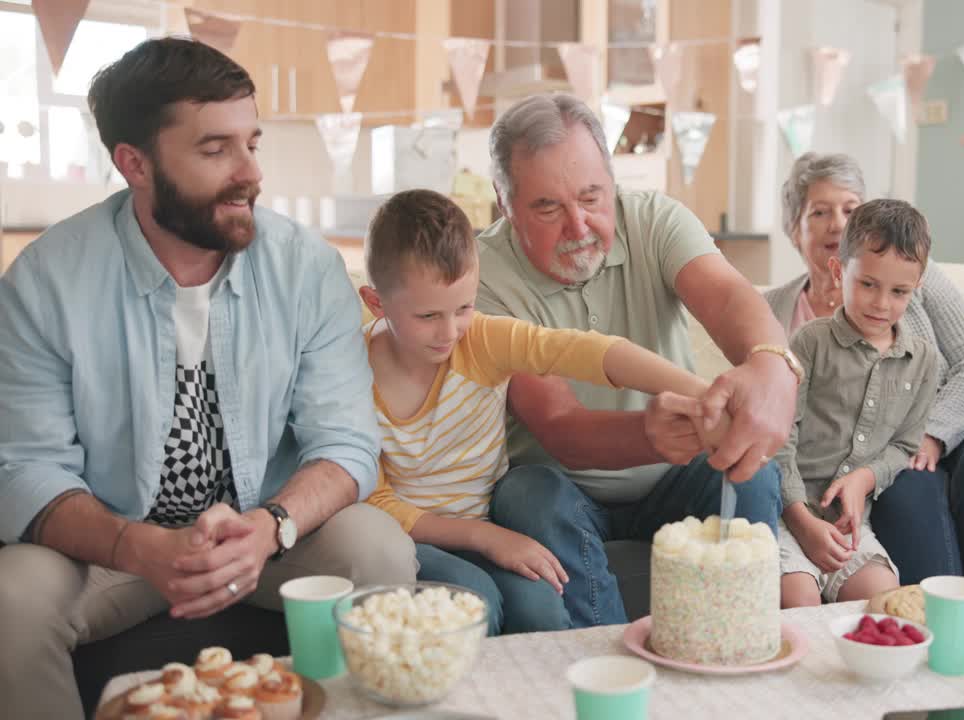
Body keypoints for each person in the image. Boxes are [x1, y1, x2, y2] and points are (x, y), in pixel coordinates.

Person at [0, 38, 416, 717]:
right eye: (215, 149)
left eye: (252, 142)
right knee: (11, 599)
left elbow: (345, 444)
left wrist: (271, 525)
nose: (250, 172)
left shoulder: (306, 267)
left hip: (266, 537)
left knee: (377, 549)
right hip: (116, 547)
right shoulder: (44, 284)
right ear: (134, 163)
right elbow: (26, 473)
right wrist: (142, 547)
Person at [474, 94, 798, 627]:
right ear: (505, 204)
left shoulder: (654, 219)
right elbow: (559, 426)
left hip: (679, 474)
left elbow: (729, 297)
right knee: (526, 493)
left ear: (612, 180)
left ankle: (733, 648)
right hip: (564, 486)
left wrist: (770, 364)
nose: (578, 226)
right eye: (548, 208)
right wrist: (648, 435)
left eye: (592, 197)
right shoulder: (483, 275)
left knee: (754, 477)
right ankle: (607, 672)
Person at [359, 189, 717, 635]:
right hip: (414, 538)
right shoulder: (353, 374)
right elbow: (374, 500)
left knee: (541, 611)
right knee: (476, 602)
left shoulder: (481, 340)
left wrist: (703, 395)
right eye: (428, 316)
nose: (449, 333)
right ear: (376, 303)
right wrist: (488, 539)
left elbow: (586, 352)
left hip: (487, 527)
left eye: (464, 308)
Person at [765, 153, 964, 584]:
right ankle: (937, 622)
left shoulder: (910, 274)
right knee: (903, 490)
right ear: (793, 229)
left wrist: (932, 431)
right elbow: (772, 411)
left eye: (850, 208)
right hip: (889, 454)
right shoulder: (775, 311)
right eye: (819, 212)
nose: (837, 223)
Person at [776, 199, 940, 607]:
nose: (882, 304)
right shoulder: (809, 343)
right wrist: (802, 520)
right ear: (838, 272)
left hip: (850, 529)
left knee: (885, 603)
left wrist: (865, 478)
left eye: (899, 291)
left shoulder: (923, 362)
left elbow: (904, 446)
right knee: (800, 604)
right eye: (868, 284)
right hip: (786, 516)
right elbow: (780, 438)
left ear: (916, 289)